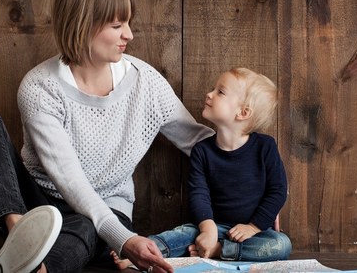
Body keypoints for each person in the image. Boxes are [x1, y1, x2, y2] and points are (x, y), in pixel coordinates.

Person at [0, 0, 214, 272]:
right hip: (37, 205)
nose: (129, 35)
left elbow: (199, 142)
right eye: (117, 26)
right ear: (82, 25)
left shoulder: (147, 84)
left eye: (128, 24)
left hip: (107, 209)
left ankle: (34, 267)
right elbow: (69, 180)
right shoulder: (40, 87)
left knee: (87, 226)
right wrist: (127, 241)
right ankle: (20, 237)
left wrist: (259, 190)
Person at [114, 67, 291, 269]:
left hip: (253, 233)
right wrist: (207, 229)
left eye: (220, 92)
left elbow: (277, 191)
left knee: (281, 245)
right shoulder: (202, 151)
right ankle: (140, 253)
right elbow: (199, 193)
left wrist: (253, 227)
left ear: (243, 113)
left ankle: (218, 251)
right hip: (213, 225)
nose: (209, 94)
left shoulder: (265, 147)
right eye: (213, 89)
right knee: (182, 234)